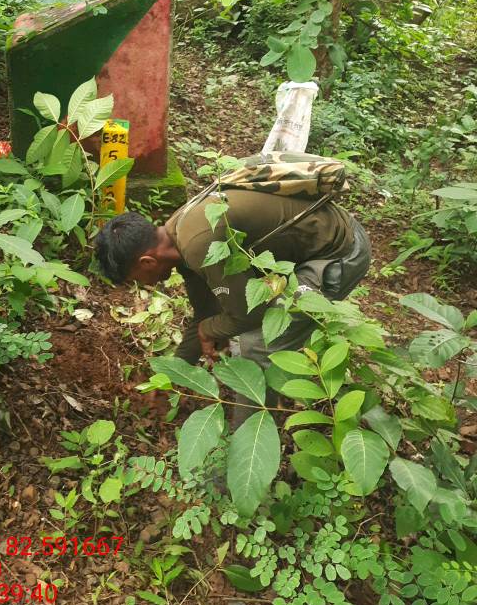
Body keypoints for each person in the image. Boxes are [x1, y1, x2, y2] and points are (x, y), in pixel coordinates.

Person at [94, 181, 371, 423]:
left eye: (137, 279)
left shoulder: (198, 244)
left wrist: (210, 331)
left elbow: (249, 315)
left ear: (147, 261)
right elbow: (206, 312)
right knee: (248, 331)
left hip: (340, 251)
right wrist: (172, 378)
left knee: (259, 341)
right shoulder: (177, 235)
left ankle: (249, 443)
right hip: (314, 244)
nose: (145, 285)